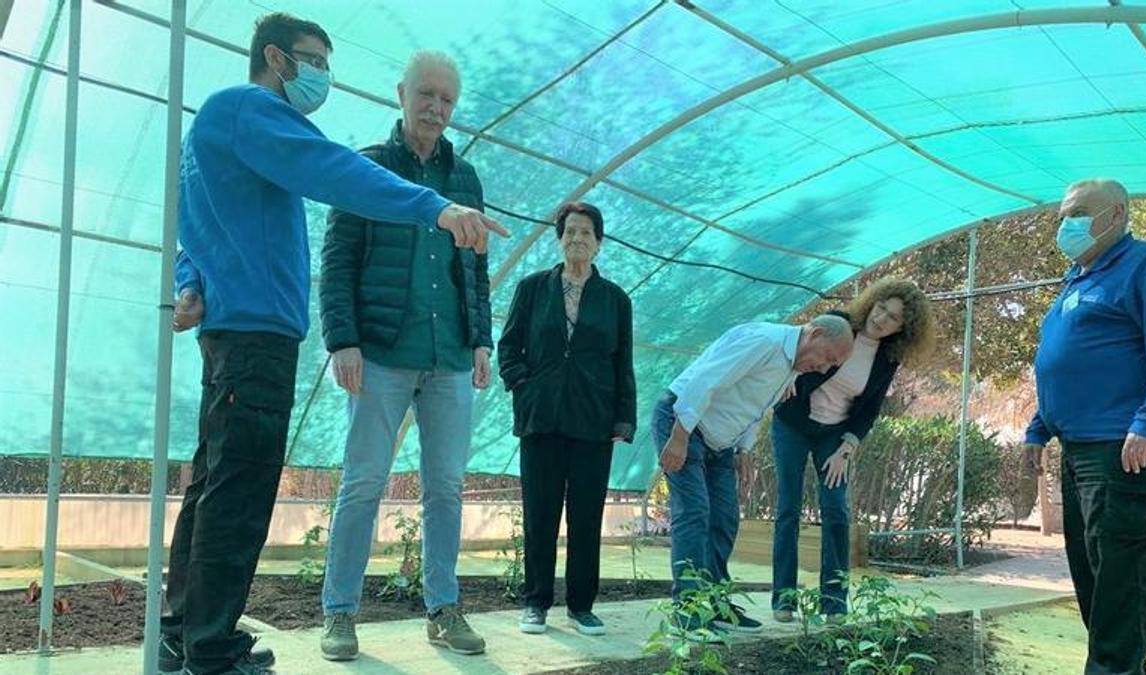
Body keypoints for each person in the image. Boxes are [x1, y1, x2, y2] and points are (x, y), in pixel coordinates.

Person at [164, 14, 506, 675]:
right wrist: (433, 208)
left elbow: (193, 214)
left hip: (240, 328)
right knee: (238, 493)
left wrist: (190, 280)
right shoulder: (250, 109)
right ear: (275, 57)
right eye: (313, 60)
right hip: (258, 331)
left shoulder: (219, 125)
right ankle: (211, 647)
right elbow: (332, 170)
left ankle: (184, 629)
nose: (322, 74)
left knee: (214, 483)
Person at [318, 50, 494, 660]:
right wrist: (343, 340)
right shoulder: (367, 168)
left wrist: (481, 339)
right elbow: (337, 261)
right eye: (427, 95)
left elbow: (476, 267)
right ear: (401, 93)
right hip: (383, 354)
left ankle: (444, 609)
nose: (436, 109)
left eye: (447, 100)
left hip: (449, 358)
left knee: (445, 488)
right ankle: (339, 613)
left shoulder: (466, 179)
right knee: (363, 483)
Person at [1024, 178, 1146, 674]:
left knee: (1121, 580)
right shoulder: (1075, 279)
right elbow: (1063, 365)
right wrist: (1040, 426)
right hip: (1079, 448)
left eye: (1077, 213)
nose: (1065, 225)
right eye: (1062, 215)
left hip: (1128, 446)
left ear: (1117, 213)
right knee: (1096, 581)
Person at [651, 315, 854, 636]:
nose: (825, 368)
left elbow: (756, 408)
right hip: (682, 422)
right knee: (694, 513)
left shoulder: (791, 367)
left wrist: (744, 450)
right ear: (814, 334)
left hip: (721, 442)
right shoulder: (764, 341)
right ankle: (688, 611)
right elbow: (707, 379)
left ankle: (714, 602)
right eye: (828, 358)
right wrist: (679, 435)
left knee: (726, 518)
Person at [498, 202, 636, 637]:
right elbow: (509, 345)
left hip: (593, 421)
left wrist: (623, 419)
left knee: (585, 515)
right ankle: (536, 602)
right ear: (559, 239)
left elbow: (623, 362)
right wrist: (524, 384)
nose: (577, 239)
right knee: (539, 513)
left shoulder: (615, 299)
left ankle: (581, 605)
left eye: (586, 233)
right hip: (541, 417)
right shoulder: (532, 287)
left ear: (599, 243)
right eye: (570, 232)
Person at [770, 280, 934, 621]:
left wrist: (848, 447)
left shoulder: (888, 359)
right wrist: (783, 379)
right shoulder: (837, 322)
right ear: (871, 303)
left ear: (903, 329)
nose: (881, 319)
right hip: (793, 425)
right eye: (881, 309)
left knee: (837, 511)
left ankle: (834, 603)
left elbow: (869, 409)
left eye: (893, 319)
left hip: (835, 434)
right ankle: (784, 600)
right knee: (788, 509)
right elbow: (795, 350)